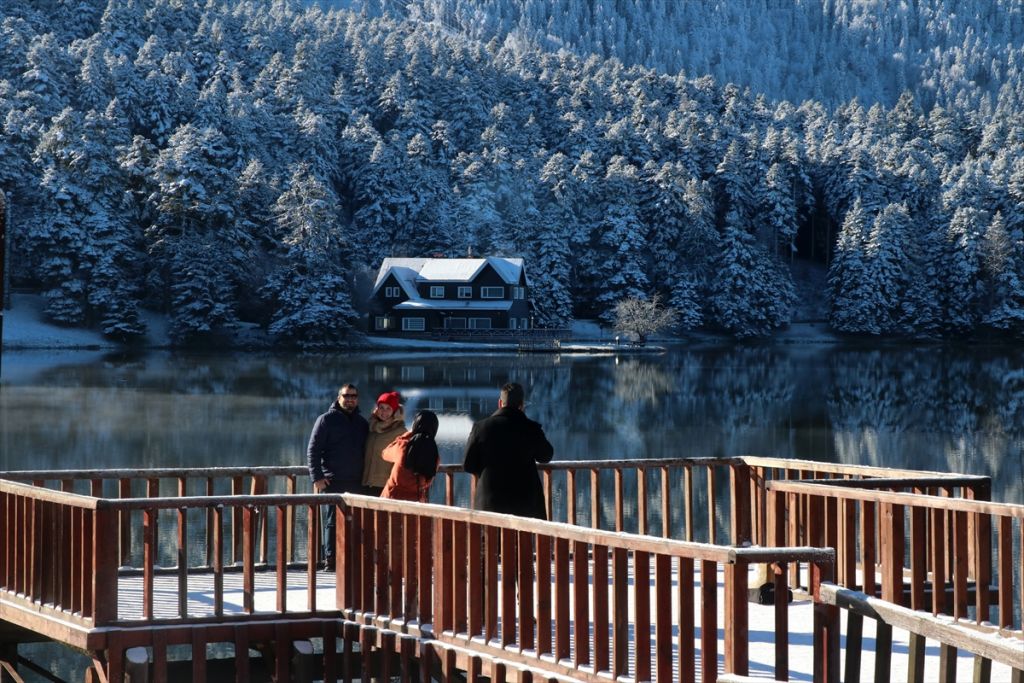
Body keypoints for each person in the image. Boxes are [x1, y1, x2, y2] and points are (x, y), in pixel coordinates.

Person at [462, 382, 554, 519]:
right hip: (525, 505)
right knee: (524, 540)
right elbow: (546, 455)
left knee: (490, 540)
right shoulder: (531, 429)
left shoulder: (481, 428)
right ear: (522, 405)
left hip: (490, 505)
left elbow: (468, 465)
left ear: (500, 403)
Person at [307, 384, 369, 570]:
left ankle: (352, 557)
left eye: (354, 396)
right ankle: (331, 558)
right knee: (332, 522)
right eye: (346, 395)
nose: (350, 399)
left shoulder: (362, 422)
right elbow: (313, 450)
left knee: (357, 521)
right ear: (339, 397)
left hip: (358, 480)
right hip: (333, 480)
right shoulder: (326, 420)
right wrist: (316, 476)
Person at [380, 410, 440, 502]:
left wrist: (407, 435)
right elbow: (428, 482)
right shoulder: (434, 454)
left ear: (415, 425)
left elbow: (384, 453)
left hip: (392, 499)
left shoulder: (403, 446)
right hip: (417, 502)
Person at [361, 391, 406, 496]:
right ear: (377, 409)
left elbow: (403, 461)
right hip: (366, 483)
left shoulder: (400, 431)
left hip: (385, 486)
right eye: (381, 408)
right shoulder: (371, 428)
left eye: (388, 409)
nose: (384, 412)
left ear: (394, 411)